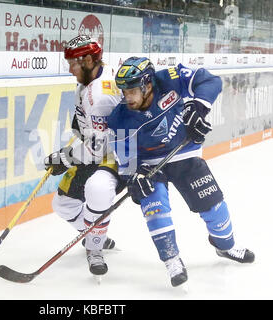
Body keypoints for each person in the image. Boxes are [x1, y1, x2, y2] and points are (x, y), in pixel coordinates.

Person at [108, 56, 255, 287]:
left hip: (184, 153)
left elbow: (211, 81)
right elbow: (126, 161)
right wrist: (134, 178)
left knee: (214, 207)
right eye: (124, 91)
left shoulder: (169, 79)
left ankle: (225, 246)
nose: (127, 97)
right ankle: (172, 260)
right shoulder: (118, 118)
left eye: (132, 90)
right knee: (155, 209)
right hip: (149, 166)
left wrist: (197, 107)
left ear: (147, 84)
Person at [44, 35, 122, 277]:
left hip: (118, 154)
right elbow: (89, 132)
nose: (70, 70)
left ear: (88, 60)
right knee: (63, 204)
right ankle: (96, 233)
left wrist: (66, 158)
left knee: (97, 191)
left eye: (73, 64)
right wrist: (80, 125)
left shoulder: (101, 95)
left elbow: (100, 147)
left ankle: (94, 246)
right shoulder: (92, 77)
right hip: (96, 150)